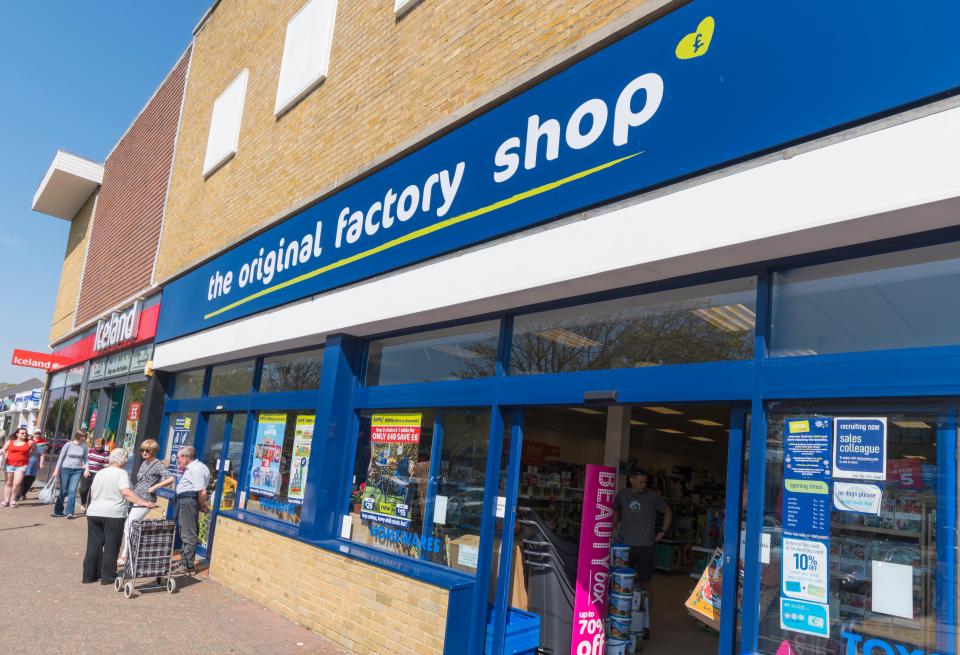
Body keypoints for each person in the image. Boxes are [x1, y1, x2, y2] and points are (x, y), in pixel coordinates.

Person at [613, 467, 672, 641]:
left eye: (645, 481)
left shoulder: (653, 497)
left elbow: (668, 512)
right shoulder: (622, 495)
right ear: (631, 479)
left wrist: (663, 531)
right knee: (621, 585)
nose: (643, 484)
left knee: (646, 584)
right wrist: (614, 527)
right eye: (641, 481)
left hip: (645, 546)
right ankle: (622, 619)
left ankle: (645, 623)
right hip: (624, 547)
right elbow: (616, 511)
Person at [83, 448, 155, 585]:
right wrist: (143, 503)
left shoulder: (100, 473)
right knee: (112, 544)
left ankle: (89, 575)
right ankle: (107, 576)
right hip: (113, 513)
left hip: (94, 511)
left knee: (94, 544)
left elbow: (92, 492)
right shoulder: (121, 473)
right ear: (123, 460)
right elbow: (126, 492)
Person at [118, 439, 174, 567]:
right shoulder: (144, 463)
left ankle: (125, 555)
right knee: (130, 525)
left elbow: (171, 478)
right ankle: (131, 552)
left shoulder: (158, 464)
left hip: (147, 500)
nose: (144, 452)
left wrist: (155, 487)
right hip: (137, 498)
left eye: (147, 450)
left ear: (153, 451)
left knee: (129, 525)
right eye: (142, 450)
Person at [173, 446, 210, 574]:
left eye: (179, 458)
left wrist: (201, 505)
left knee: (188, 534)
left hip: (189, 501)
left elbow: (202, 491)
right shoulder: (195, 468)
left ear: (186, 457)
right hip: (185, 501)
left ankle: (187, 566)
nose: (178, 461)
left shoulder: (197, 468)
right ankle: (184, 561)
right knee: (185, 532)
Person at [52, 430, 89, 518]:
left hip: (78, 470)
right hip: (66, 469)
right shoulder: (68, 445)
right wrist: (56, 470)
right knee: (64, 490)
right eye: (83, 436)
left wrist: (87, 469)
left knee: (72, 490)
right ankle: (58, 510)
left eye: (85, 436)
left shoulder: (84, 447)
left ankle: (70, 512)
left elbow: (86, 459)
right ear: (78, 436)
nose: (84, 438)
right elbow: (61, 458)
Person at [0, 427, 35, 507]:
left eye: (25, 433)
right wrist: (2, 452)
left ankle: (13, 500)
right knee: (8, 483)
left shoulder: (30, 442)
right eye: (22, 433)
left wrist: (28, 457)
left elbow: (34, 450)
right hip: (9, 465)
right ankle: (6, 500)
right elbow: (3, 449)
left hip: (22, 466)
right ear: (17, 434)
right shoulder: (10, 442)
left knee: (17, 483)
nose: (24, 434)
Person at [78, 436, 110, 511]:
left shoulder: (105, 454)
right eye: (96, 444)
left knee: (93, 492)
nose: (97, 446)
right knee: (83, 490)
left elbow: (106, 466)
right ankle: (83, 503)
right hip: (87, 472)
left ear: (103, 445)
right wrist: (86, 469)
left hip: (98, 475)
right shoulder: (90, 451)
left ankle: (89, 507)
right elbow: (85, 461)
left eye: (99, 444)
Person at [19, 430, 49, 501]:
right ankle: (19, 493)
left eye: (39, 434)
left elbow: (42, 454)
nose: (38, 435)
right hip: (24, 463)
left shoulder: (42, 444)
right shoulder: (28, 442)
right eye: (36, 433)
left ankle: (23, 494)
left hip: (34, 464)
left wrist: (41, 463)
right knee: (21, 479)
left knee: (30, 479)